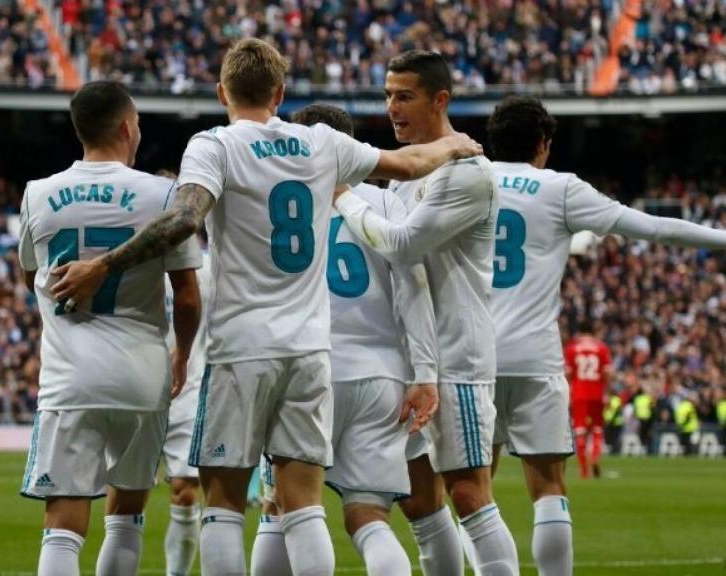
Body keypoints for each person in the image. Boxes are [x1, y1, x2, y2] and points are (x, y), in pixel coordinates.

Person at [49, 38, 481, 576]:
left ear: (222, 91)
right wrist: (456, 145)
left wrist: (103, 265)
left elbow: (185, 219)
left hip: (241, 349)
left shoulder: (214, 145)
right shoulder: (321, 142)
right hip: (308, 352)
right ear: (279, 92)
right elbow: (410, 162)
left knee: (225, 504)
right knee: (304, 506)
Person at [484, 94, 726, 576]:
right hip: (535, 358)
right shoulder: (561, 189)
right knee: (548, 485)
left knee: (474, 489)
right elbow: (656, 228)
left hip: (471, 358)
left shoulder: (465, 180)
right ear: (543, 145)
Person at [331, 50, 517, 575]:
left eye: (405, 95)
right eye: (388, 95)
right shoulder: (410, 170)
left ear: (440, 100)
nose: (392, 107)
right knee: (419, 501)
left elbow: (402, 246)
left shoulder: (466, 173)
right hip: (415, 357)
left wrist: (345, 196)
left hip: (457, 355)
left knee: (468, 492)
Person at [17, 80, 202, 576]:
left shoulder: (38, 194)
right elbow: (186, 294)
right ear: (126, 127)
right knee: (126, 517)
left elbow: (31, 273)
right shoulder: (163, 194)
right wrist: (182, 353)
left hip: (71, 377)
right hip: (143, 376)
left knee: (63, 522)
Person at [249, 103, 439, 576]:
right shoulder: (387, 203)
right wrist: (426, 373)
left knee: (283, 508)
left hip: (307, 370)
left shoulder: (281, 204)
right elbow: (414, 288)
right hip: (381, 375)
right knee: (370, 518)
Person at [161, 227, 210, 576]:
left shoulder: (207, 268)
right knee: (124, 497)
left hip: (188, 390)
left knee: (186, 491)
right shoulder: (131, 265)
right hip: (137, 388)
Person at [564, 324, 613, 478]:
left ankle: (584, 470)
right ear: (594, 331)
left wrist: (569, 391)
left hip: (579, 393)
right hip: (597, 393)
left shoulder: (572, 348)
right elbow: (608, 373)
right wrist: (608, 392)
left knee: (580, 431)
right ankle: (596, 457)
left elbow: (567, 373)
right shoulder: (601, 348)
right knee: (597, 429)